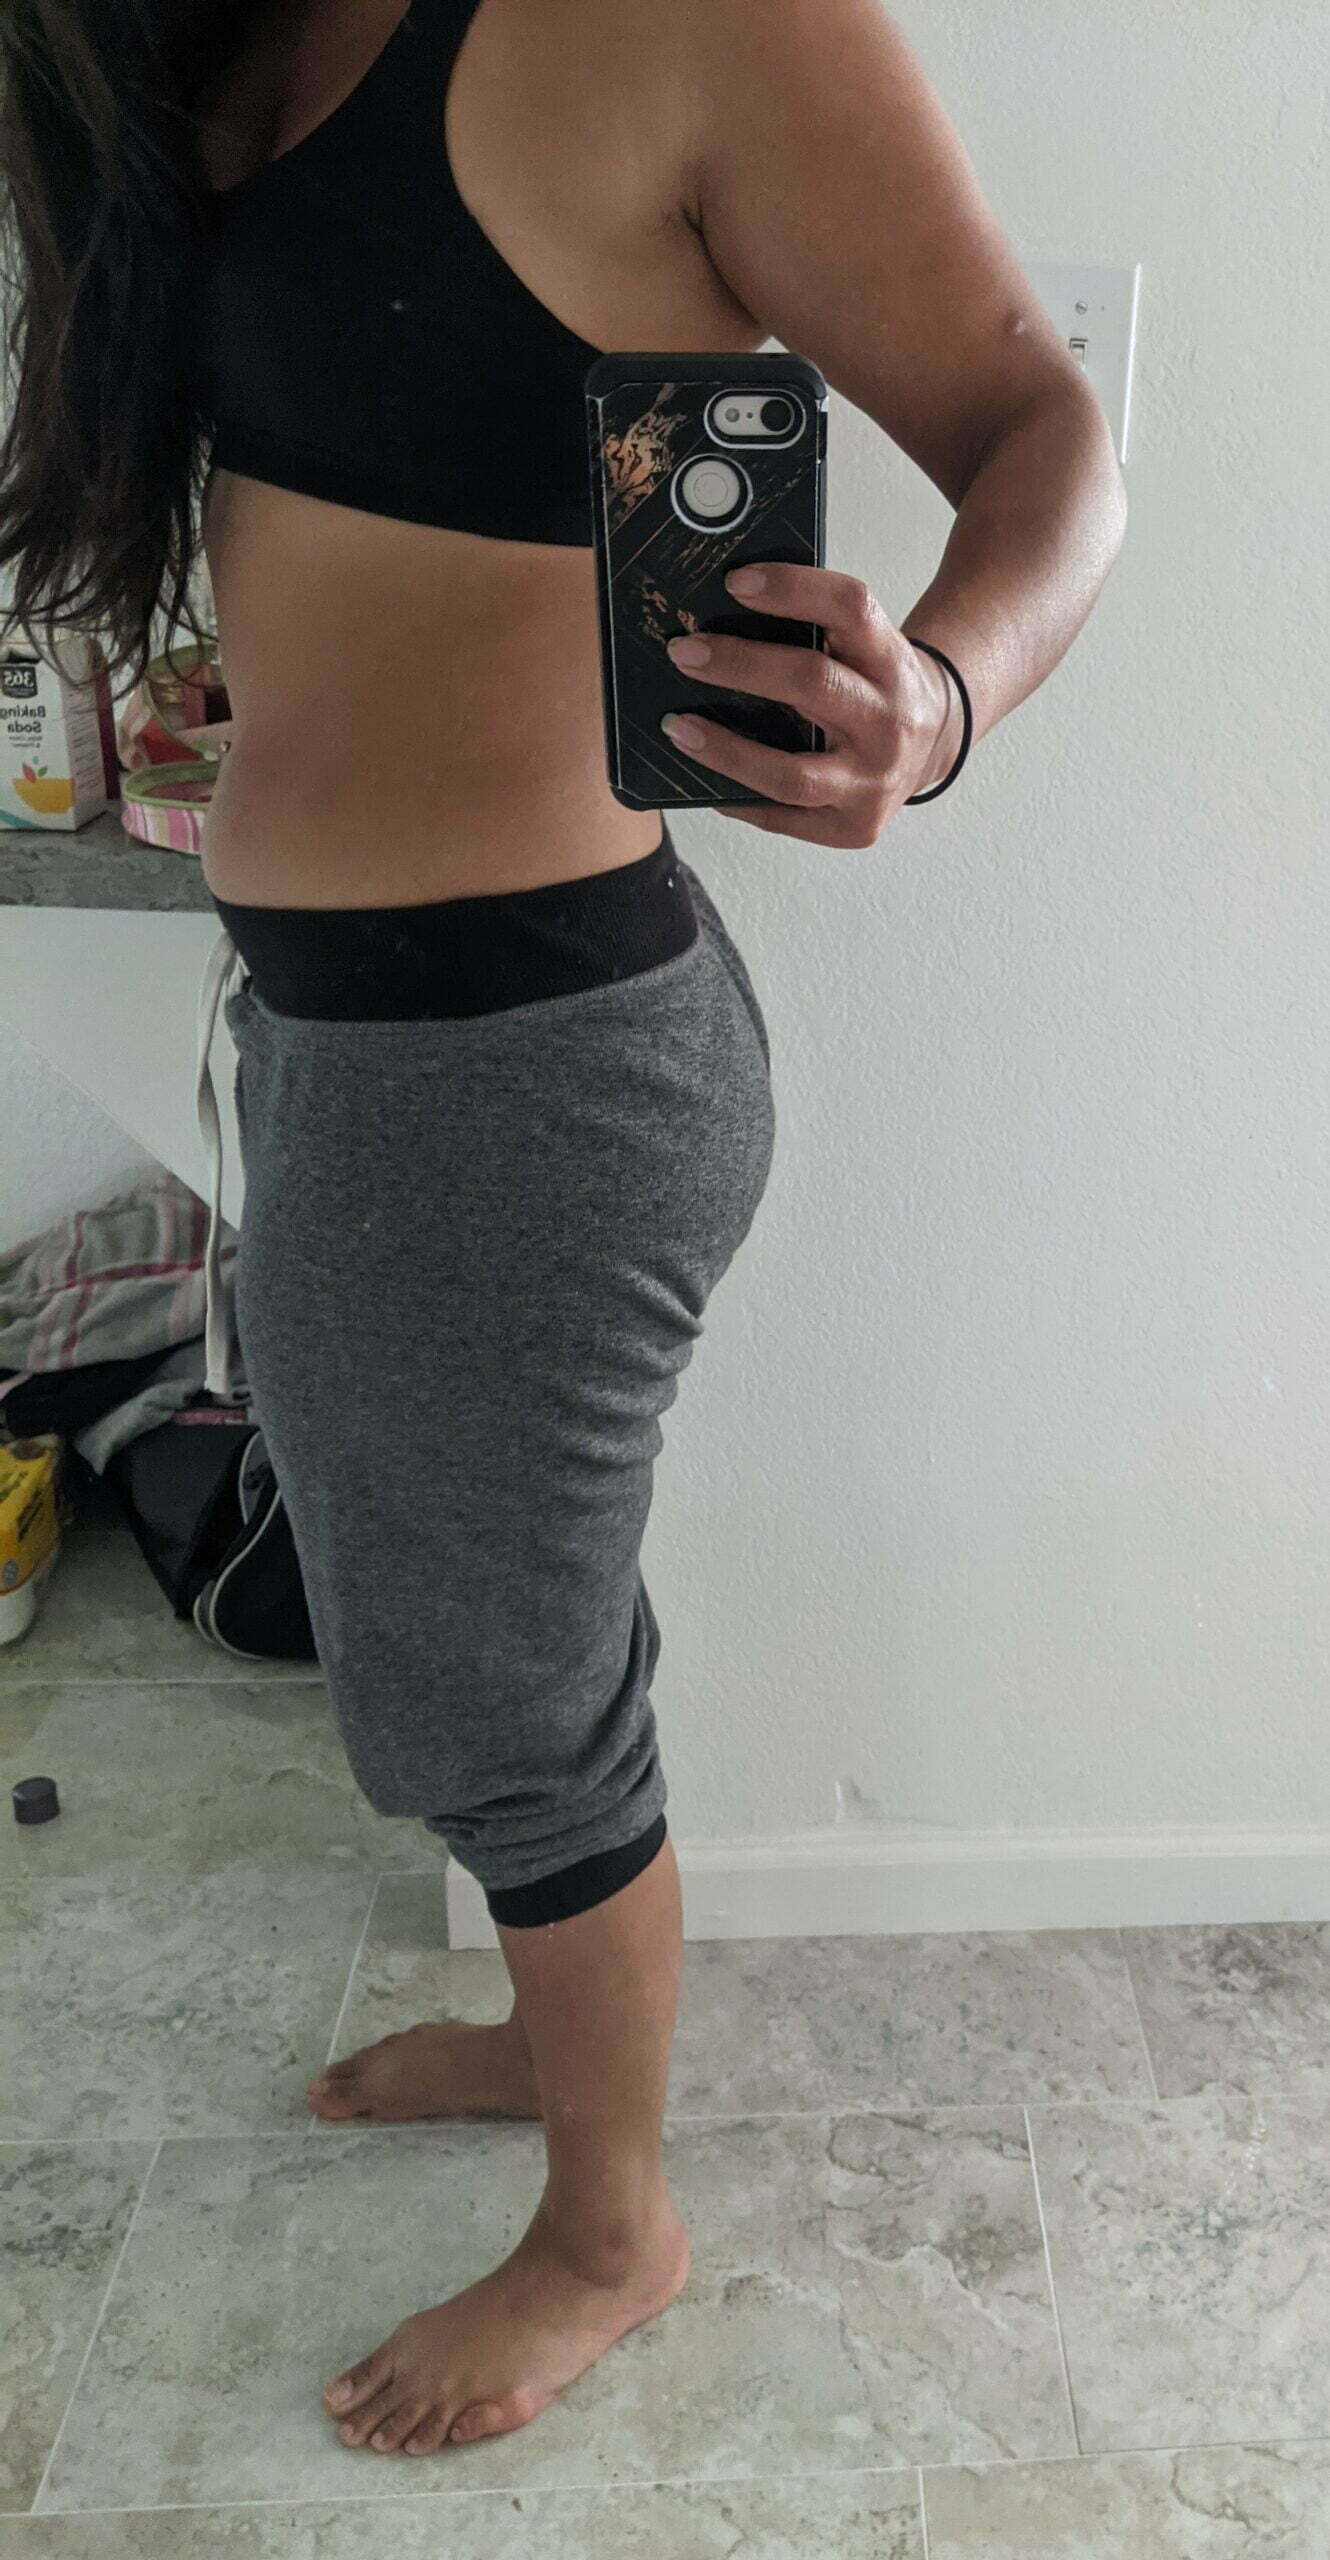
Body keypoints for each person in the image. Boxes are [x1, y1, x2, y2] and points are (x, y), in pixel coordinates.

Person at [0, 0, 1127, 2461]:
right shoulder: (191, 35)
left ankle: (611, 2228)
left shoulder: (684, 21)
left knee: (491, 1696)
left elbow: (1043, 429)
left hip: (514, 1068)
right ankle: (551, 2029)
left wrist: (937, 701)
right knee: (496, 1616)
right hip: (354, 1029)